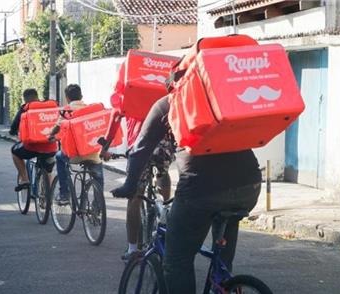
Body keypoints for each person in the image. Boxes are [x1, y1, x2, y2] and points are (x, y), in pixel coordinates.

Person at [111, 96, 262, 294]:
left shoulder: (169, 101)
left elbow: (141, 148)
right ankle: (224, 285)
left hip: (201, 188)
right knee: (222, 259)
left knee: (177, 261)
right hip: (249, 184)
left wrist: (130, 186)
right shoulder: (223, 94)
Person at [101, 63, 175, 260]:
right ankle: (166, 205)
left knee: (134, 194)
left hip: (140, 149)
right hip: (164, 144)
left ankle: (132, 249)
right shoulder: (162, 91)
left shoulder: (126, 95)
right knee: (163, 173)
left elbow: (115, 119)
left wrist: (105, 146)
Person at [48, 84, 104, 203]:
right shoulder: (90, 109)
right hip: (93, 154)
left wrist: (50, 135)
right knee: (98, 177)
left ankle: (64, 193)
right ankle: (98, 206)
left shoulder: (66, 111)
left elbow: (57, 128)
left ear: (67, 98)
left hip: (74, 156)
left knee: (59, 156)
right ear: (81, 96)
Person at [9, 88, 58, 192]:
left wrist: (13, 131)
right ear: (37, 97)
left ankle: (25, 179)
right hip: (51, 147)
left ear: (25, 99)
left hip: (31, 148)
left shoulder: (26, 108)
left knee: (14, 151)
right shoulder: (50, 107)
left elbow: (13, 127)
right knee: (48, 171)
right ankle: (48, 196)